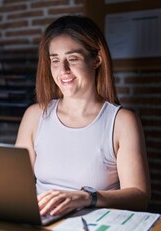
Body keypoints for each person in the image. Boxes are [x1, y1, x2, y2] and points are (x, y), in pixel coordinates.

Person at [15, 15, 150, 217]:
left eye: (73, 58)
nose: (63, 70)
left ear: (96, 60)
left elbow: (140, 197)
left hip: (93, 225)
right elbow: (15, 183)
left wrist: (87, 197)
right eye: (55, 60)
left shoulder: (122, 121)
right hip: (39, 221)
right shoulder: (35, 115)